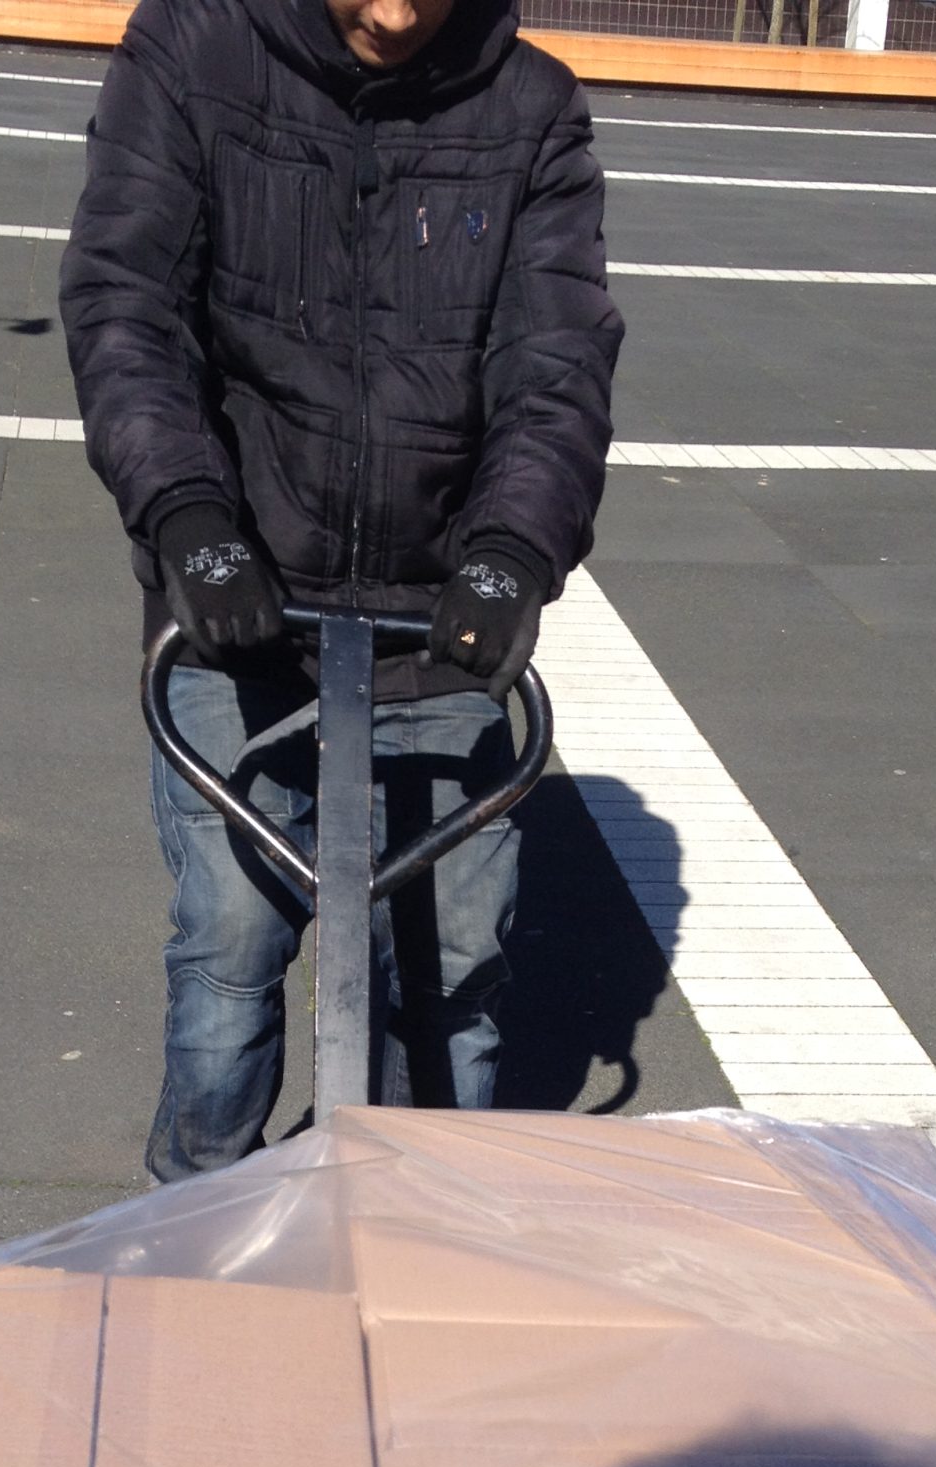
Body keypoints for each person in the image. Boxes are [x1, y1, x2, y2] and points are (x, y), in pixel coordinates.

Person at [59, 0, 623, 1181]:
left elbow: (556, 369)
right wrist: (188, 516)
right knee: (230, 949)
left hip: (435, 627)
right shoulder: (195, 54)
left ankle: (409, 1221)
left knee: (451, 970)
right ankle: (198, 1208)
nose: (395, 15)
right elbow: (127, 307)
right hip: (240, 609)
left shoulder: (529, 109)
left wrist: (512, 554)